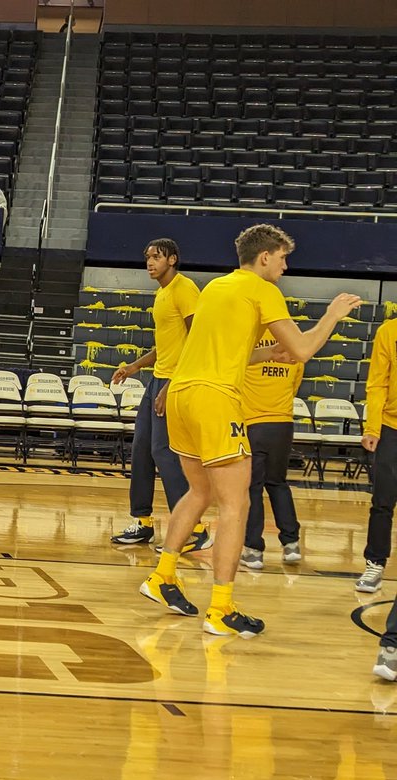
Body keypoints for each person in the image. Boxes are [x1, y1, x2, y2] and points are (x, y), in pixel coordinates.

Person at [138, 224, 361, 637]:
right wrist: (332, 314)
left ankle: (163, 575)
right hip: (214, 398)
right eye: (283, 258)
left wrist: (266, 353)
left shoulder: (216, 288)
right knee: (235, 504)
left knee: (199, 491)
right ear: (265, 257)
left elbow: (222, 350)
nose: (285, 266)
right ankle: (221, 608)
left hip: (181, 392)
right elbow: (303, 350)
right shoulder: (263, 290)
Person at [110, 240, 211, 554]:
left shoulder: (184, 289)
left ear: (173, 259)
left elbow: (198, 338)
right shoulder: (162, 293)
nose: (150, 262)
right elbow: (166, 345)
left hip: (176, 381)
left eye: (156, 257)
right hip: (157, 379)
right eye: (147, 257)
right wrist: (134, 367)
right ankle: (143, 522)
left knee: (163, 453)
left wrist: (172, 385)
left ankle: (194, 529)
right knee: (141, 449)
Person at [238, 328, 304, 570]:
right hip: (283, 423)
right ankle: (291, 544)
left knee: (253, 488)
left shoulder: (249, 336)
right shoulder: (292, 338)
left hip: (253, 422)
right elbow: (295, 384)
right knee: (278, 483)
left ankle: (253, 550)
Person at [357, 316, 397, 596]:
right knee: (383, 501)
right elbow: (377, 383)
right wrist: (372, 427)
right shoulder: (388, 331)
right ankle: (375, 564)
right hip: (391, 428)